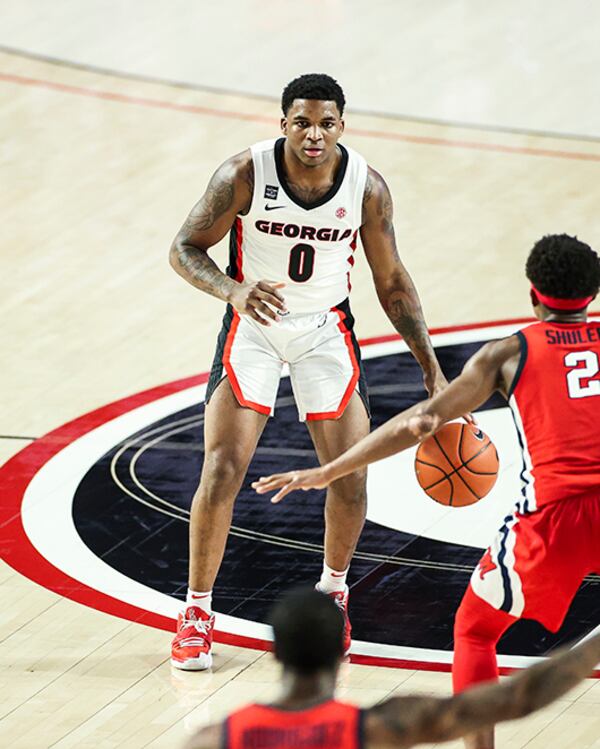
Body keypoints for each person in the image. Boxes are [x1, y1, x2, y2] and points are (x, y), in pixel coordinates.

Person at [253, 234, 600, 748]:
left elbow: (421, 420)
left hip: (555, 515)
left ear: (533, 294)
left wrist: (329, 471)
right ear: (592, 293)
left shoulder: (508, 354)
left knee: (476, 631)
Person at [169, 73, 447, 670]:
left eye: (325, 123)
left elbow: (392, 281)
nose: (314, 134)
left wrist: (430, 366)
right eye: (302, 122)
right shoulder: (243, 174)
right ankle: (195, 611)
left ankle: (335, 592)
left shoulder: (367, 188)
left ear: (341, 126)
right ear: (283, 124)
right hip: (255, 327)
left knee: (348, 475)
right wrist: (233, 290)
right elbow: (185, 248)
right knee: (222, 468)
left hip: (325, 329)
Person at [183, 587, 600, 749]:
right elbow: (517, 698)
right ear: (337, 654)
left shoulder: (214, 741)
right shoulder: (378, 729)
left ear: (275, 653)